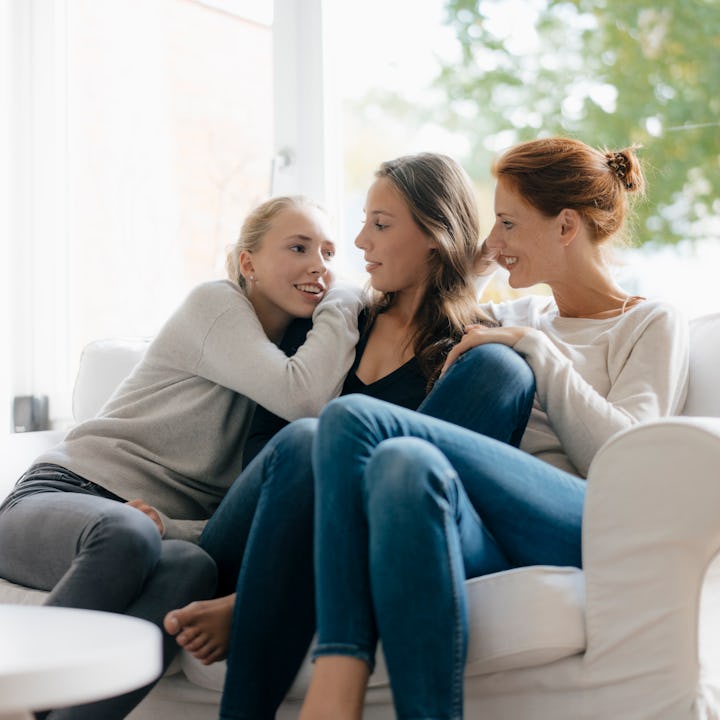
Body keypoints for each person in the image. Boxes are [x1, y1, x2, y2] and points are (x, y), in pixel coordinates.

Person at [300, 137, 690, 720]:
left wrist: (541, 353)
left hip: (581, 523)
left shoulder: (647, 323)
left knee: (357, 419)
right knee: (403, 465)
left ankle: (332, 668)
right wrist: (488, 256)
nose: (496, 241)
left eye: (508, 223)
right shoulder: (516, 314)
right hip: (488, 531)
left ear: (566, 227)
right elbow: (450, 277)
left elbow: (619, 460)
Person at [162, 152, 537, 720]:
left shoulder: (471, 352)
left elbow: (435, 496)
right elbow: (267, 457)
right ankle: (268, 597)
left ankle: (258, 605)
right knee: (311, 440)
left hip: (389, 538)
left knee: (487, 386)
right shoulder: (329, 327)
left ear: (435, 235)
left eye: (380, 225)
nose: (359, 241)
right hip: (270, 531)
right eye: (364, 221)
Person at [0, 195, 363, 720]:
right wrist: (345, 298)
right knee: (126, 533)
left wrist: (171, 526)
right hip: (60, 494)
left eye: (330, 254)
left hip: (150, 526)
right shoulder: (215, 305)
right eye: (299, 247)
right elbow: (303, 399)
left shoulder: (304, 351)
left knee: (193, 566)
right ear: (248, 263)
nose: (319, 266)